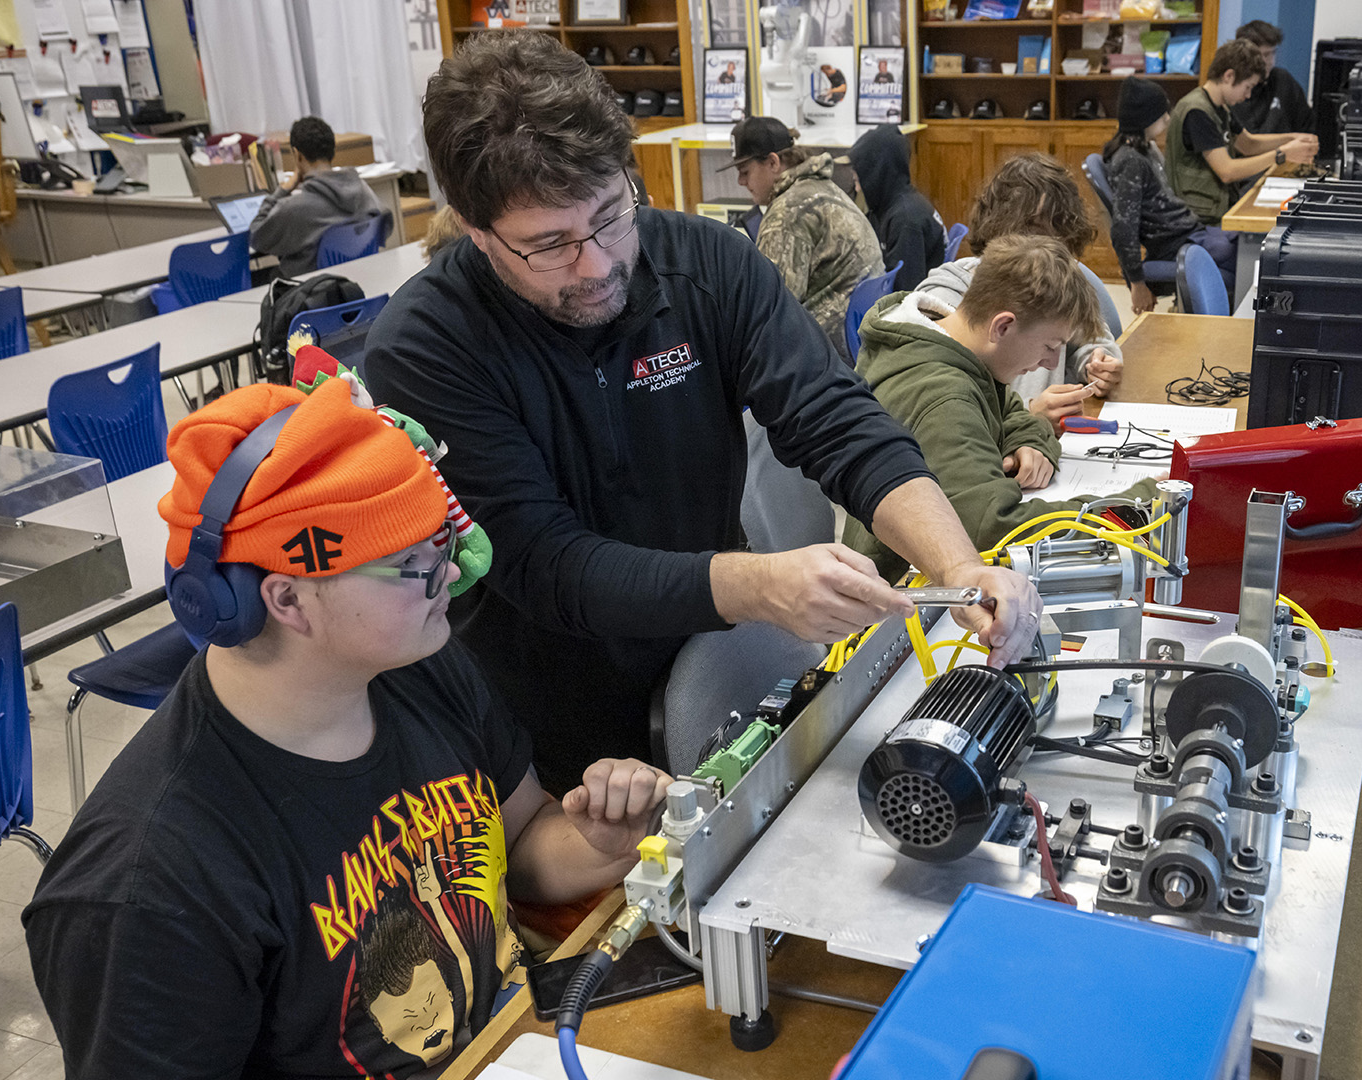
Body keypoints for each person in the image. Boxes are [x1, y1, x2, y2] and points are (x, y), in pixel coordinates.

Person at [361, 34, 1038, 793]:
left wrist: (959, 564)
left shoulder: (708, 263)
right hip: (555, 725)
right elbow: (547, 565)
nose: (599, 264)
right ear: (476, 230)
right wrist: (758, 585)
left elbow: (835, 418)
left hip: (720, 666)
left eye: (612, 214)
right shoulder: (425, 348)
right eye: (548, 245)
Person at [23, 376, 672, 1078]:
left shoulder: (417, 666)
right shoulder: (149, 889)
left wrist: (600, 844)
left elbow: (518, 842)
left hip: (516, 1042)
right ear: (289, 598)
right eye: (414, 565)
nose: (451, 574)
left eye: (442, 544)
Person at [845, 236, 1164, 581]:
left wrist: (1030, 441)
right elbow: (992, 530)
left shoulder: (954, 345)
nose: (1052, 362)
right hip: (897, 598)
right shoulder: (944, 398)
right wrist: (1140, 505)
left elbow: (1013, 410)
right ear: (1004, 326)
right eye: (1050, 345)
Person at [914, 152, 1124, 426]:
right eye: (1040, 238)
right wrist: (1029, 415)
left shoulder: (1055, 285)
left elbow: (1094, 337)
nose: (1053, 258)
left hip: (1043, 446)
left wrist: (1097, 364)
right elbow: (940, 420)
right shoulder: (945, 299)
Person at [728, 114, 885, 363]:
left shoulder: (787, 212)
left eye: (745, 171)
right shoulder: (822, 187)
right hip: (862, 339)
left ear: (773, 162)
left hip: (828, 355)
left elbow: (770, 311)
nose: (741, 181)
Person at [1167, 38, 1317, 228]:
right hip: (1195, 221)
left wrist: (1293, 138)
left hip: (1215, 211)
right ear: (1229, 76)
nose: (1248, 95)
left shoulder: (1221, 107)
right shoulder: (1197, 111)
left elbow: (1248, 144)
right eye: (1248, 87)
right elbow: (1227, 171)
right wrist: (1282, 155)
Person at [1103, 77, 1219, 314]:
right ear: (1143, 118)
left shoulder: (1147, 149)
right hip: (1174, 244)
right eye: (1161, 113)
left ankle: (1189, 311)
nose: (1168, 117)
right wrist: (1137, 283)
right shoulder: (1131, 161)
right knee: (1238, 258)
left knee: (1240, 246)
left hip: (1187, 234)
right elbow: (1124, 230)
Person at [251, 116, 385, 275]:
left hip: (310, 292)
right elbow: (385, 227)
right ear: (332, 152)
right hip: (360, 280)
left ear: (297, 155)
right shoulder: (363, 191)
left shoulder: (294, 207)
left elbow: (256, 236)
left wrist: (283, 189)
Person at [848, 124, 944, 288]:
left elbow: (906, 292)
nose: (857, 189)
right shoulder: (890, 204)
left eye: (859, 181)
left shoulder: (905, 221)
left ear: (877, 175)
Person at [1232, 19, 1314, 135]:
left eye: (1273, 53)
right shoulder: (1235, 90)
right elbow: (1249, 142)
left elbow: (1307, 125)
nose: (1269, 61)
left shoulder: (1283, 79)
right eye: (1264, 55)